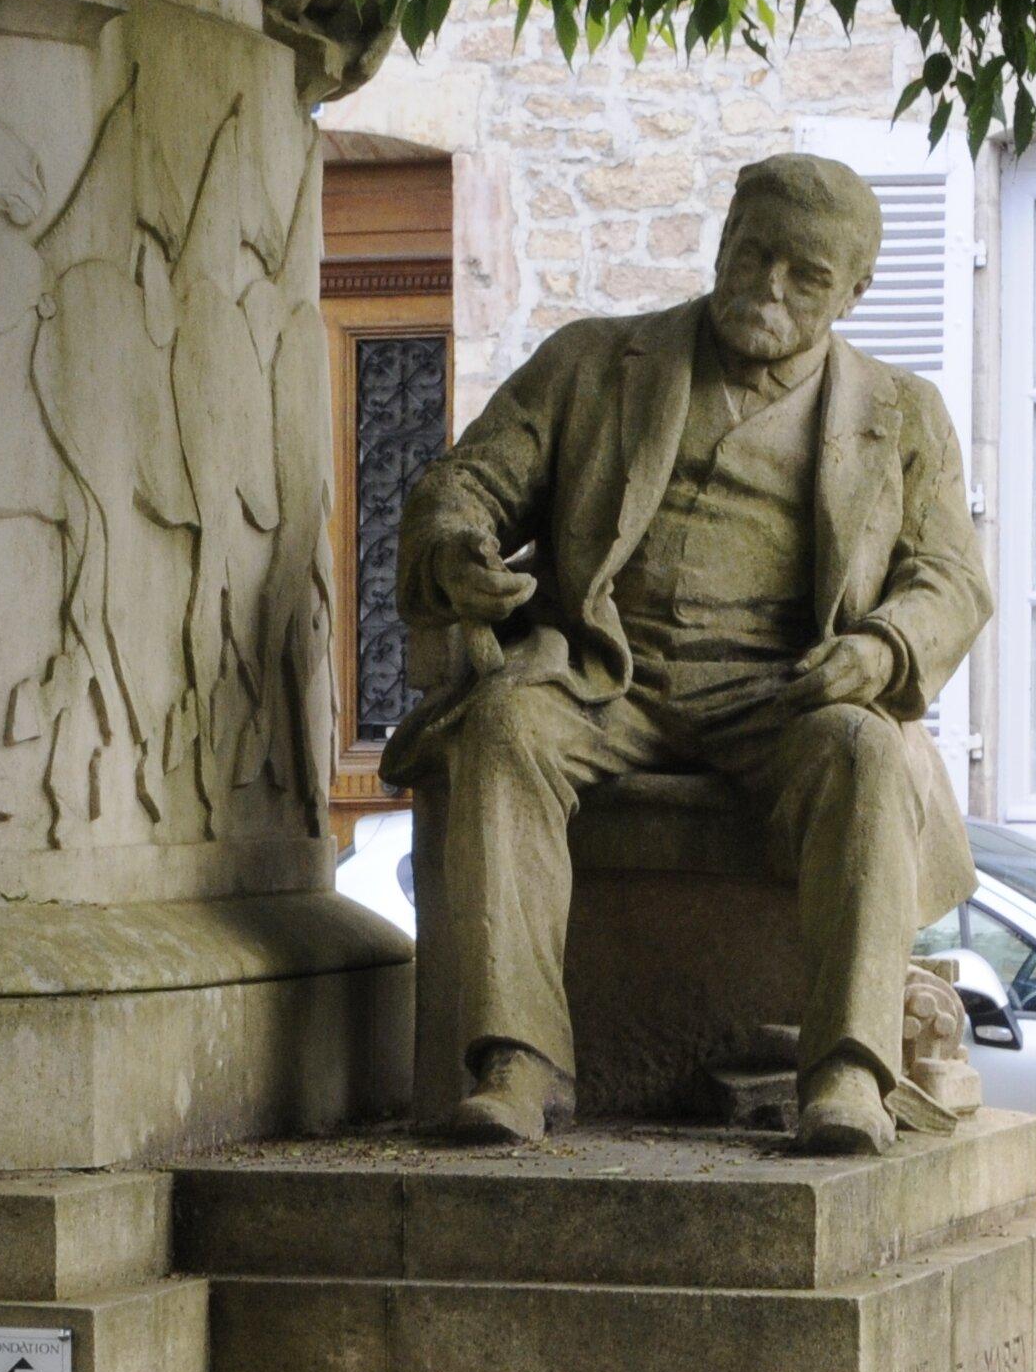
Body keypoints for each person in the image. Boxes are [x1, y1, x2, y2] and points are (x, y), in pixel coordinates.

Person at [383, 152, 989, 1151]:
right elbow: (464, 483)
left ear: (855, 290)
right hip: (601, 676)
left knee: (868, 754)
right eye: (750, 254)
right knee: (497, 731)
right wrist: (459, 549)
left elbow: (952, 583)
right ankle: (517, 1062)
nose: (767, 287)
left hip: (784, 698)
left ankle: (844, 1072)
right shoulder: (594, 363)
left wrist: (881, 650)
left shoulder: (900, 412)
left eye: (805, 274)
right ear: (720, 241)